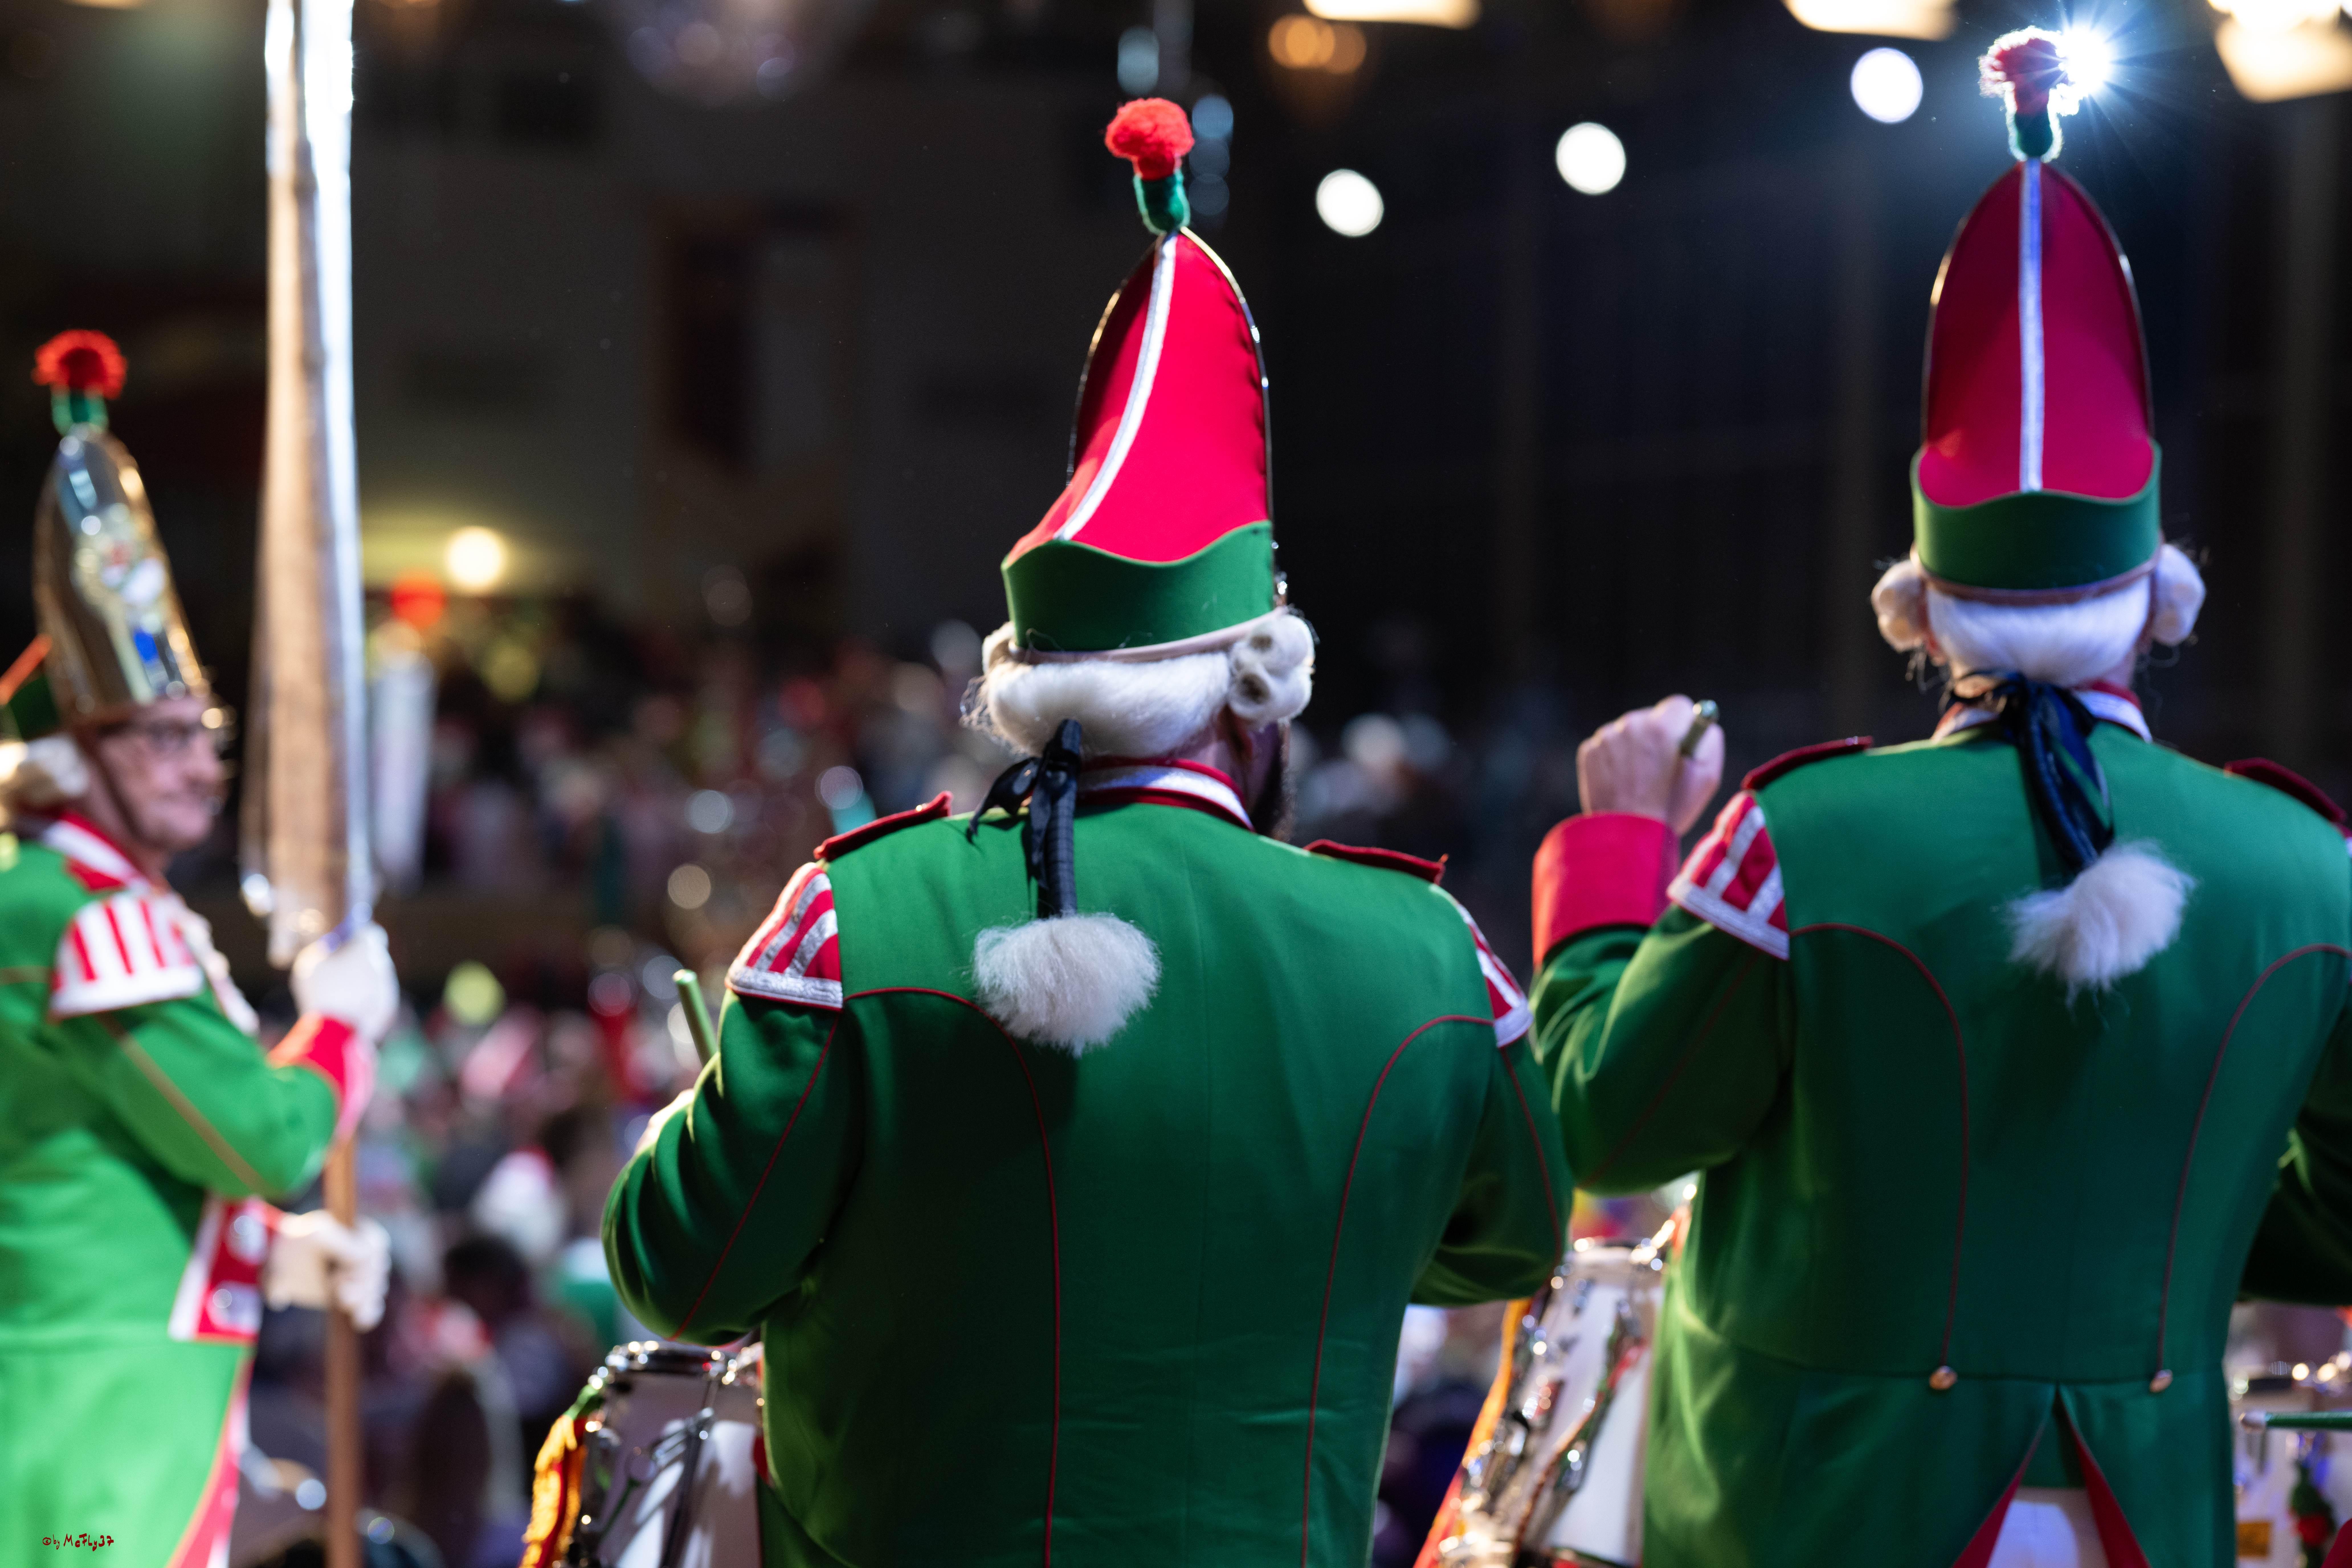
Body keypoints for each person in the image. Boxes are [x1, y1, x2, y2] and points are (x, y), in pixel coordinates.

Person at [593, 102, 1570, 1567]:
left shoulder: (856, 917)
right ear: (1261, 703)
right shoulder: (1427, 953)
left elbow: (683, 1269)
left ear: (1034, 700)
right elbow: (1510, 1240)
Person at [1520, 35, 2352, 1568]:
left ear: (1921, 615)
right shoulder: (2314, 875)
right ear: (2162, 604)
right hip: (2141, 1526)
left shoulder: (1793, 839)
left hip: (1818, 1516)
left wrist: (1616, 865)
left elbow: (1614, 1121)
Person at [0, 332, 400, 1568]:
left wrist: (268, 1252)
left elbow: (106, 1151)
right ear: (78, 755)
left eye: (205, 728)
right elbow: (264, 1134)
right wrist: (341, 1022)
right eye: (162, 734)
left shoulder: (59, 897)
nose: (202, 762)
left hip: (92, 1377)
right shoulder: (83, 911)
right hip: (93, 1396)